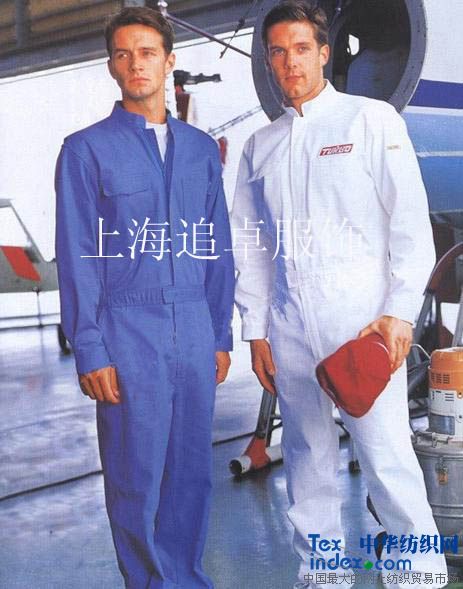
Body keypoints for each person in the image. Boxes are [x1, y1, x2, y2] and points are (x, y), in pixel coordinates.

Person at [232, 2, 447, 588]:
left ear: (325, 53)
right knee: (307, 461)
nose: (290, 63)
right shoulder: (260, 147)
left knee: (385, 456)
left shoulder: (369, 121)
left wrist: (400, 313)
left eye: (302, 49)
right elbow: (251, 246)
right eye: (278, 52)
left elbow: (410, 226)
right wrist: (256, 330)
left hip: (362, 323)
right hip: (289, 328)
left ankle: (417, 573)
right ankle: (324, 574)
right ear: (269, 61)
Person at [55, 7, 234, 588]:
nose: (136, 64)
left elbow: (216, 248)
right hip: (128, 335)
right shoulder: (85, 151)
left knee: (191, 478)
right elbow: (78, 254)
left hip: (195, 332)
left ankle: (187, 580)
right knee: (136, 480)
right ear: (112, 66)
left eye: (148, 52)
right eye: (123, 54)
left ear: (169, 61)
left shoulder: (201, 151)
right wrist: (89, 347)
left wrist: (220, 335)